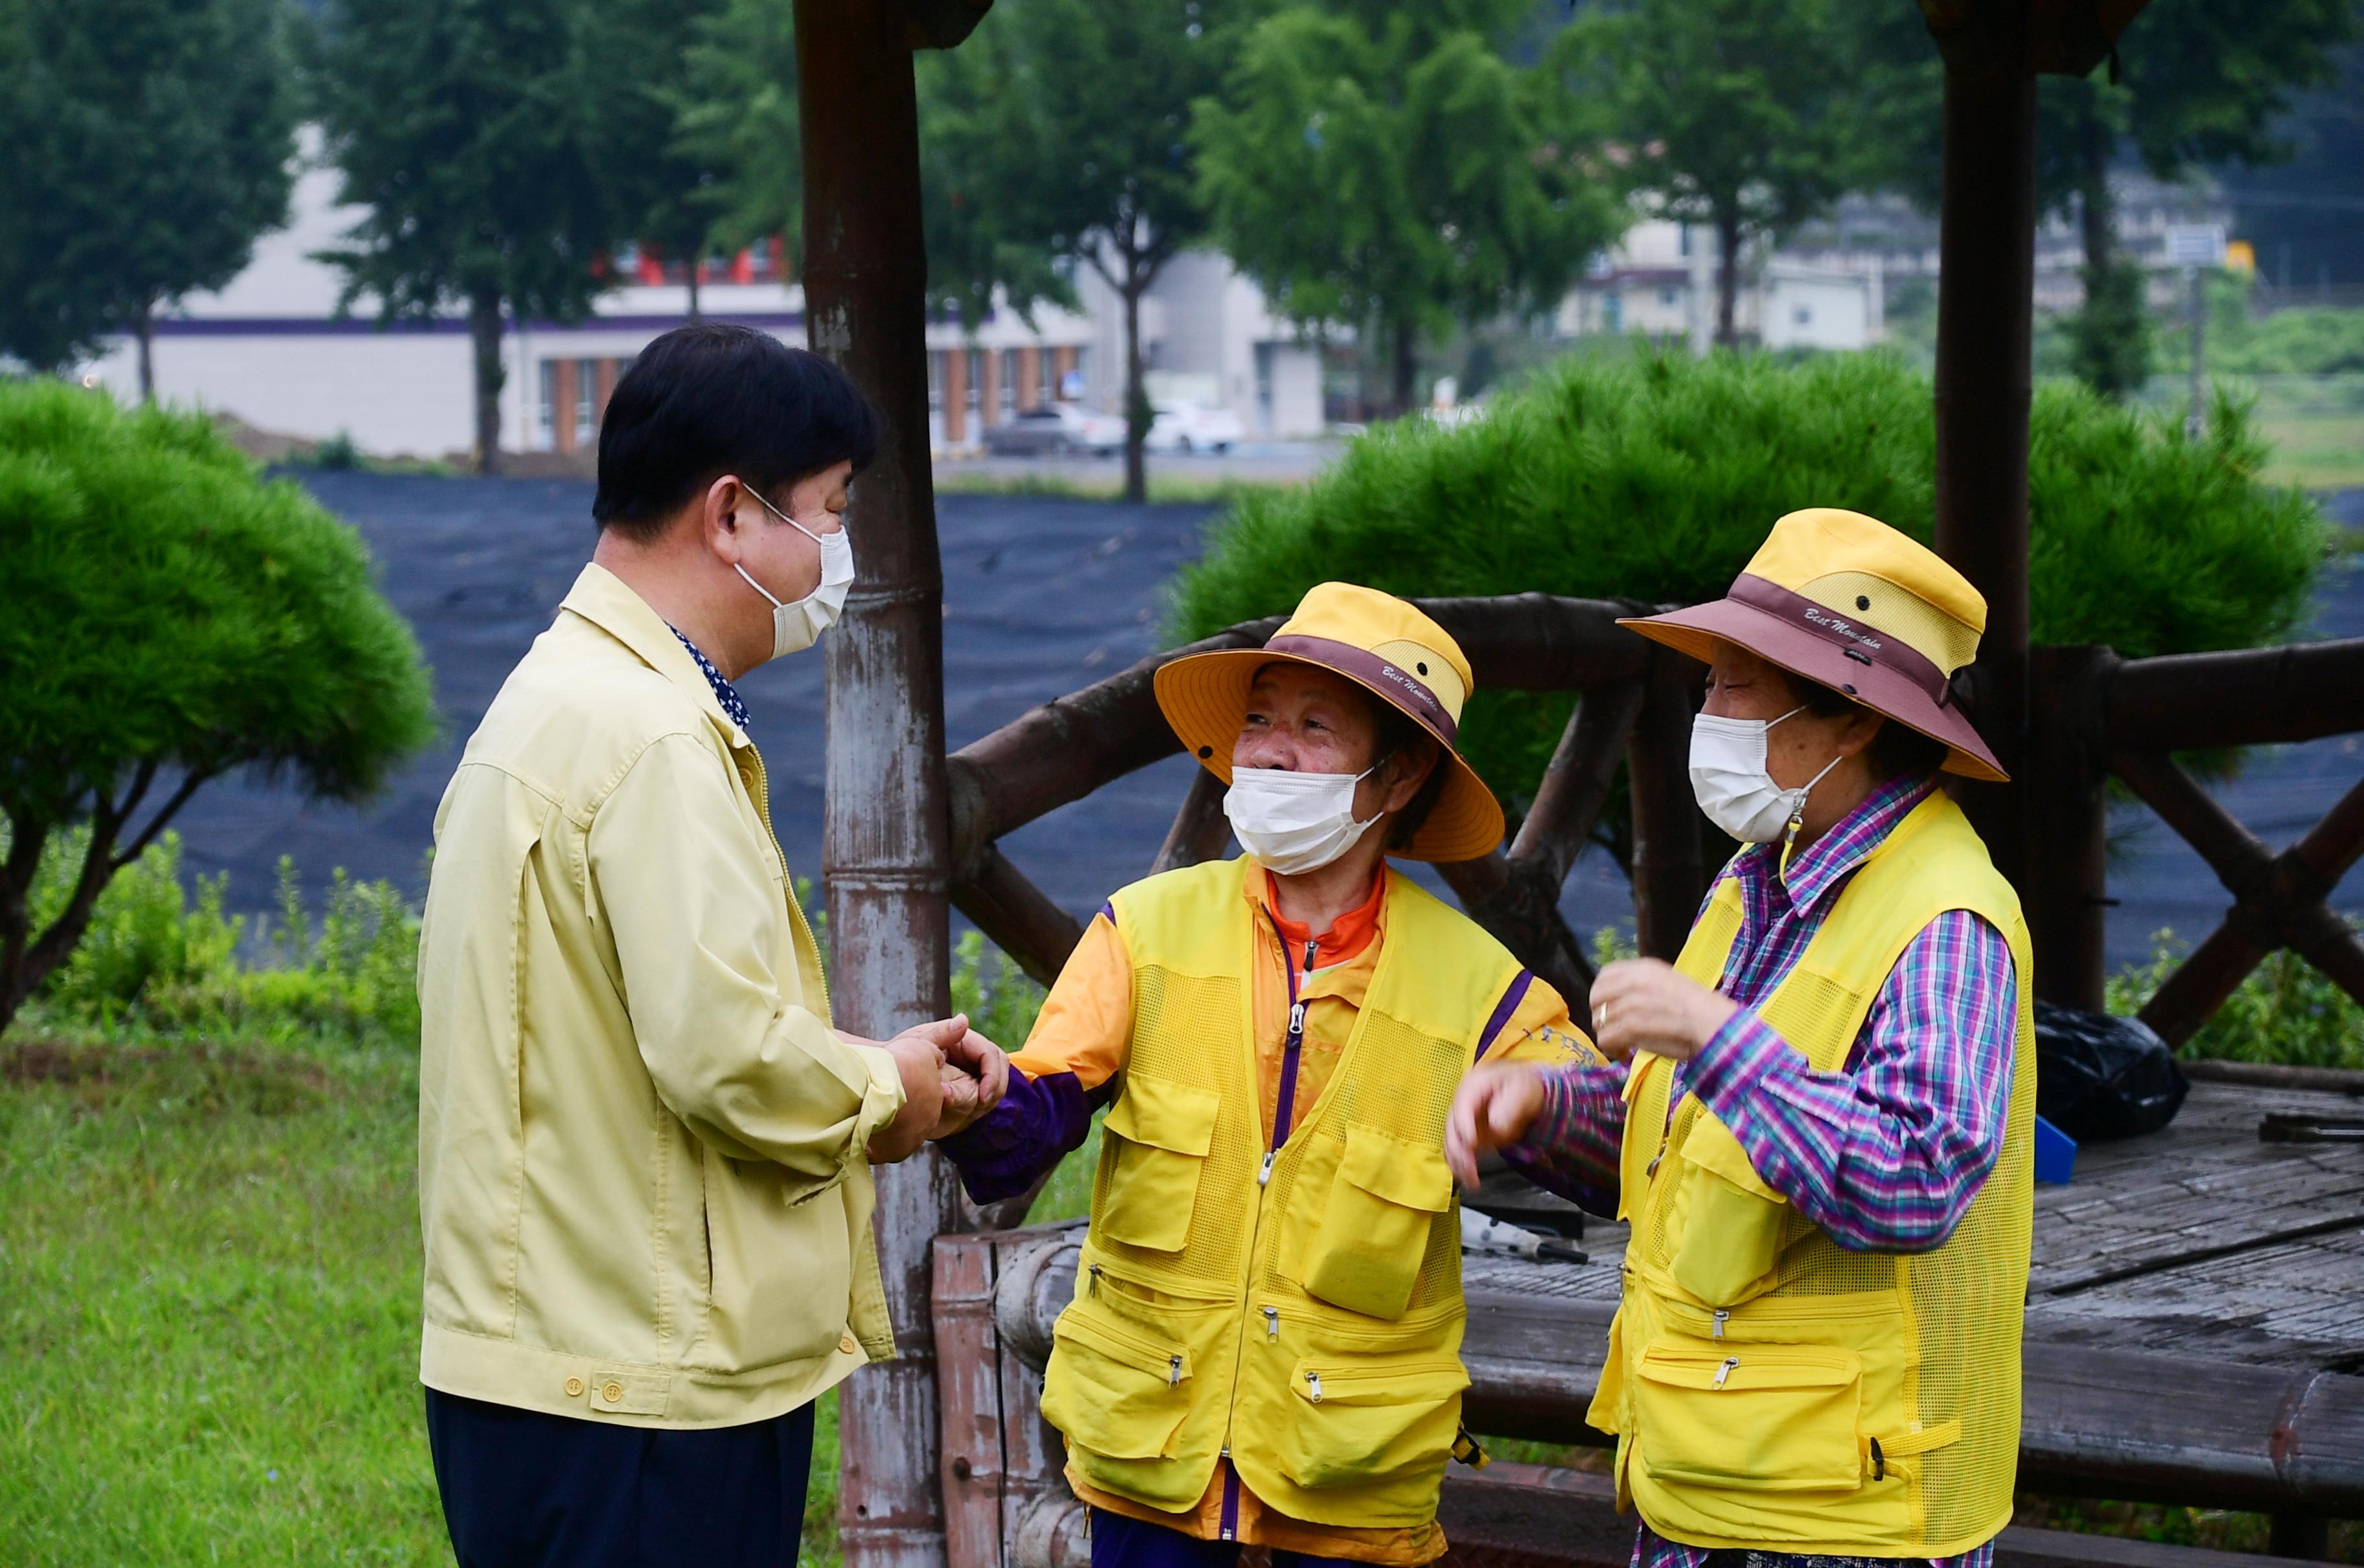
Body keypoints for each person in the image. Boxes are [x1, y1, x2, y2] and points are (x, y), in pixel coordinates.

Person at [413, 323, 1008, 1568]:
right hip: (639, 1388)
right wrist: (886, 1087)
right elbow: (719, 1053)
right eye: (830, 513)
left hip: (548, 1362)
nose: (838, 553)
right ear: (732, 517)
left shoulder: (560, 697)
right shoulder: (655, 742)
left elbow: (640, 1029)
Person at [937, 582, 1592, 1568]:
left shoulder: (1480, 986)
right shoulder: (1144, 928)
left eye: (1315, 727)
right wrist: (981, 1098)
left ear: (1400, 776)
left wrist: (1546, 1103)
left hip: (1350, 1490)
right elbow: (1036, 1115)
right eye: (1257, 723)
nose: (1272, 753)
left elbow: (1615, 1152)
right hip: (1152, 1470)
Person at [1447, 508, 2034, 1567]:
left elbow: (1915, 1179)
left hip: (1852, 1522)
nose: (1704, 709)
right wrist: (1544, 1110)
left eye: (1733, 682)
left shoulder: (1947, 918)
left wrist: (1716, 1038)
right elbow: (1680, 1148)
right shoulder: (1754, 882)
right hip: (1708, 1482)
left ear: (1850, 720)